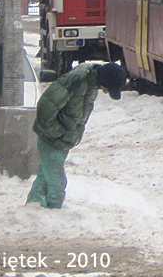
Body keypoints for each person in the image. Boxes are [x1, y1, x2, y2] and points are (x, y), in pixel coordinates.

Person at [27, 61, 127, 209]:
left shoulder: (92, 84)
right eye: (108, 88)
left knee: (45, 176)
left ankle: (34, 207)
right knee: (56, 181)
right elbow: (46, 106)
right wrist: (58, 132)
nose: (105, 92)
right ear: (103, 81)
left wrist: (71, 135)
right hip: (51, 137)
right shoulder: (77, 80)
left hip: (62, 139)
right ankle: (53, 210)